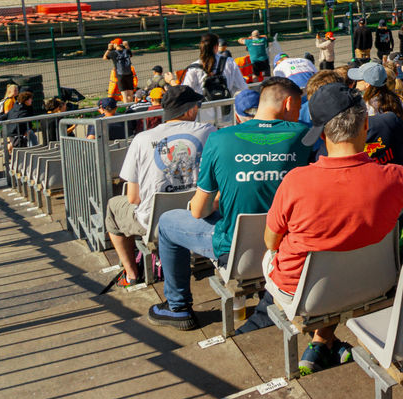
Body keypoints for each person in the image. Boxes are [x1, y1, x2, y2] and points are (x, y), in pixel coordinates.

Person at [264, 83, 403, 374]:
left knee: (278, 255)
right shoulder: (396, 178)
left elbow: (271, 242)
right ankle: (324, 341)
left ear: (321, 134)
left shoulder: (296, 181)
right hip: (373, 283)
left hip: (304, 293)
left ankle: (322, 341)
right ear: (365, 123)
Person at [147, 79, 309, 330]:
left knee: (168, 221)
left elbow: (200, 210)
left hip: (236, 251)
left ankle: (177, 307)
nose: (299, 114)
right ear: (288, 103)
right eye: (298, 107)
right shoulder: (306, 137)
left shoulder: (221, 138)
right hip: (287, 246)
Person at [105, 86, 213, 289]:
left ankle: (131, 274)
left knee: (113, 208)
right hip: (198, 214)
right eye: (197, 106)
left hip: (153, 222)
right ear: (189, 110)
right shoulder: (209, 132)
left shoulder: (142, 139)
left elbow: (133, 199)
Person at [353, 64, 403, 166]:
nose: (356, 82)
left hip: (378, 160)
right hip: (398, 156)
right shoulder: (397, 99)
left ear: (367, 84)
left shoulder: (367, 105)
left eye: (359, 79)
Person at [184, 33, 248, 120]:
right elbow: (242, 87)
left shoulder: (194, 67)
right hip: (225, 115)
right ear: (216, 46)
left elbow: (186, 91)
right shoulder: (229, 62)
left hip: (202, 116)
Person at [103, 38, 137, 103]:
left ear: (116, 44)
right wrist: (126, 46)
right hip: (129, 73)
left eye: (113, 44)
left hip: (120, 75)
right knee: (130, 93)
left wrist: (109, 49)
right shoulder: (126, 51)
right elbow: (131, 54)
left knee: (124, 94)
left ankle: (127, 108)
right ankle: (131, 106)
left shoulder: (113, 53)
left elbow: (104, 57)